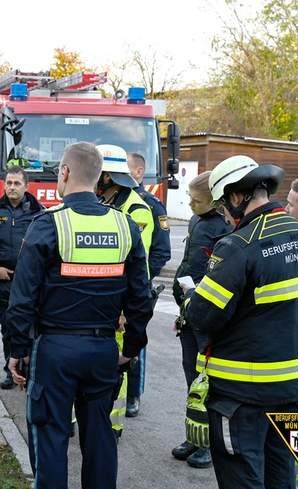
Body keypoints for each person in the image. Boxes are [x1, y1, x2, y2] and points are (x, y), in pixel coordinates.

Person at [7, 141, 153, 489]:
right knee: (100, 439)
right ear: (100, 176)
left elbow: (22, 298)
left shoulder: (47, 225)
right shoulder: (125, 226)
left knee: (51, 438)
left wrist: (17, 350)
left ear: (65, 173)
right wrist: (130, 350)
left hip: (55, 351)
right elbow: (140, 300)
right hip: (103, 351)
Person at [184, 155, 298, 488]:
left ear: (236, 197)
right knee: (283, 475)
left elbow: (203, 316)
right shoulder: (295, 231)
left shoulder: (237, 245)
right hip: (293, 391)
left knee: (242, 479)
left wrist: (190, 296)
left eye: (222, 206)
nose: (223, 213)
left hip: (239, 399)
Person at [169, 171, 232, 469]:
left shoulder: (225, 228)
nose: (190, 204)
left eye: (197, 200)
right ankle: (194, 437)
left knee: (209, 386)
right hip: (189, 314)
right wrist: (183, 311)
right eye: (189, 199)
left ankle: (210, 446)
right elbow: (188, 264)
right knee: (192, 381)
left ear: (215, 201)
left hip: (207, 316)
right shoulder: (196, 221)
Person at [95, 144, 153, 432]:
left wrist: (124, 311)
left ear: (108, 176)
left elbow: (136, 272)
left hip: (119, 308)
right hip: (101, 301)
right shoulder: (105, 201)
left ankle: (112, 427)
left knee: (116, 367)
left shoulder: (136, 211)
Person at [0, 165, 43, 390]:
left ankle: (31, 372)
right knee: (9, 328)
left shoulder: (39, 212)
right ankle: (10, 371)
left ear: (26, 186)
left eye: (17, 183)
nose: (12, 187)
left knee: (33, 328)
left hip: (30, 283)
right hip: (2, 281)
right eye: (9, 183)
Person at [126, 152, 172, 417]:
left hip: (138, 288)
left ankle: (133, 395)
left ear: (140, 172)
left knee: (135, 341)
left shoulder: (152, 204)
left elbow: (161, 252)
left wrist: (141, 280)